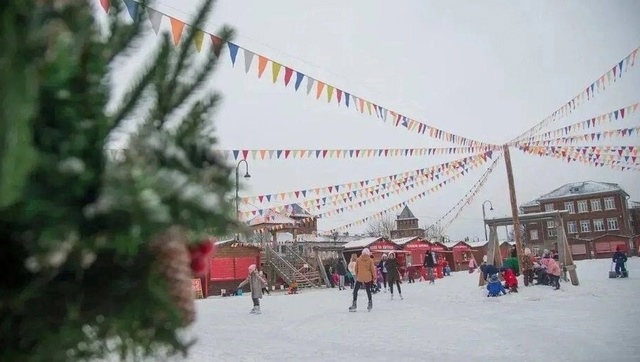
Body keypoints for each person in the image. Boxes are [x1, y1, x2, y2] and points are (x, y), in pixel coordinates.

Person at [349, 248, 376, 312]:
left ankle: (354, 304)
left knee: (355, 290)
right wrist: (374, 277)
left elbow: (356, 269)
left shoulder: (358, 260)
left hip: (360, 277)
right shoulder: (370, 260)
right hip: (368, 277)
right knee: (368, 290)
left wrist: (358, 275)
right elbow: (373, 270)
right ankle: (370, 303)